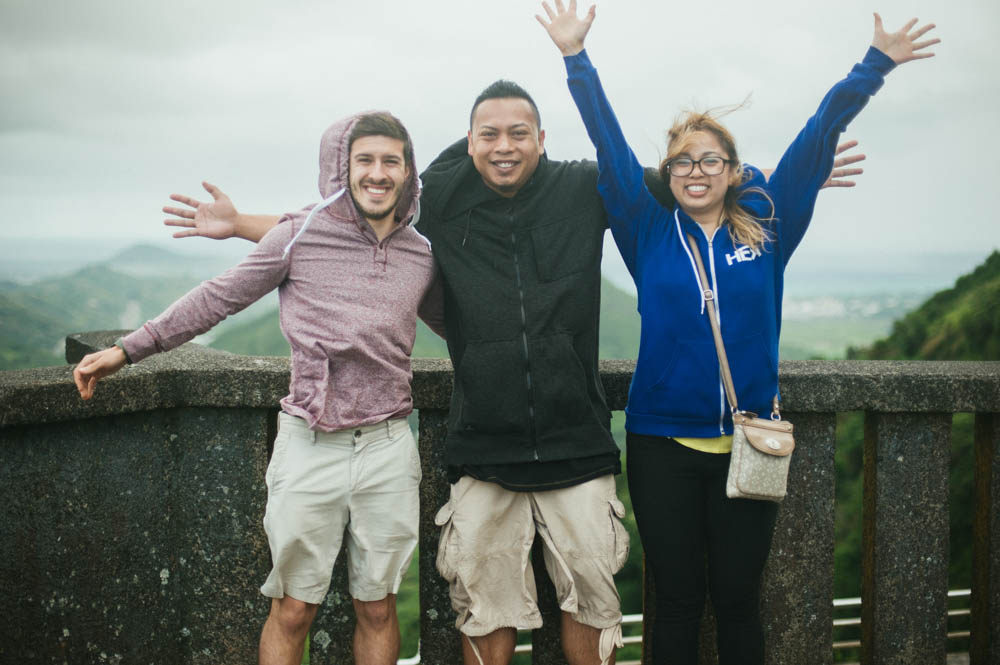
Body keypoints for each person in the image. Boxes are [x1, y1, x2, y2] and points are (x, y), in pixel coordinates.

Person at [164, 79, 863, 665]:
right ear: (469, 141)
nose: (504, 145)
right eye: (489, 134)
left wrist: (774, 182)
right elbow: (345, 226)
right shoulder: (439, 195)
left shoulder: (583, 187)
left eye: (519, 132)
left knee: (592, 608)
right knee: (483, 613)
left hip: (577, 444)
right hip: (485, 448)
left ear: (541, 138)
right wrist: (242, 224)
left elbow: (695, 183)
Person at [536, 2, 938, 664]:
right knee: (679, 598)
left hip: (750, 439)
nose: (696, 171)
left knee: (737, 598)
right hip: (661, 440)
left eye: (711, 160)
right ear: (668, 176)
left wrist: (874, 66)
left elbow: (816, 135)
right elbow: (607, 142)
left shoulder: (770, 226)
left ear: (731, 169)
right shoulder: (646, 229)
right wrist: (576, 59)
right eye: (683, 162)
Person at [73, 111, 444, 665]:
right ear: (341, 168)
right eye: (364, 159)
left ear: (408, 172)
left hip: (388, 445)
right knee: (293, 608)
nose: (377, 172)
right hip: (309, 443)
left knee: (378, 606)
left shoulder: (421, 254)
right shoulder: (299, 235)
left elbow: (465, 325)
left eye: (391, 160)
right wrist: (129, 349)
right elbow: (219, 297)